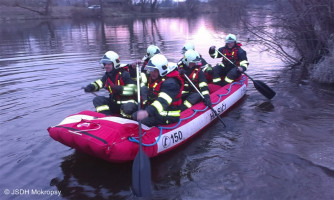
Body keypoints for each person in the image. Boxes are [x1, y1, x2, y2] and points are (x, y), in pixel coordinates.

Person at [132, 54, 184, 127]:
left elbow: (162, 102)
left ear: (161, 70)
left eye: (154, 70)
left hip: (168, 115)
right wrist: (133, 68)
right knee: (133, 115)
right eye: (150, 70)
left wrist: (147, 112)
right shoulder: (157, 77)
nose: (151, 73)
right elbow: (137, 78)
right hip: (158, 112)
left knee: (141, 121)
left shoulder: (171, 83)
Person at [83, 51, 137, 117]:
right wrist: (91, 87)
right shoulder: (108, 75)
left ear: (115, 63)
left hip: (128, 103)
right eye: (105, 64)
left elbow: (133, 90)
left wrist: (118, 88)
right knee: (97, 100)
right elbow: (99, 83)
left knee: (128, 108)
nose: (106, 66)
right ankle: (107, 118)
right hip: (114, 103)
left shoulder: (125, 74)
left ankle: (126, 120)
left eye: (108, 64)